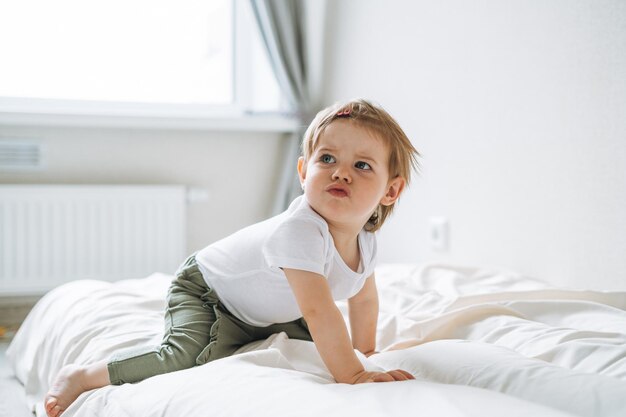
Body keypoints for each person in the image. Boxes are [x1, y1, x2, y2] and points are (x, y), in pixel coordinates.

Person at [44, 99, 420, 417]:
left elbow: (364, 298)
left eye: (362, 165)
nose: (341, 172)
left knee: (311, 345)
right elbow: (321, 312)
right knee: (183, 356)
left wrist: (366, 352)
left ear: (391, 190)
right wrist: (354, 374)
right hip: (210, 292)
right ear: (304, 172)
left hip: (270, 309)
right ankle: (85, 375)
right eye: (327, 158)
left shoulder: (366, 241)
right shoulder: (300, 231)